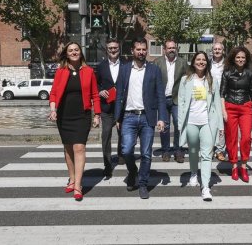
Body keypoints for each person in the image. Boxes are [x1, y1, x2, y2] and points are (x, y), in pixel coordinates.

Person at [114, 37, 167, 199]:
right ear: (132, 51)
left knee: (146, 154)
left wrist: (162, 118)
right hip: (128, 116)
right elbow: (119, 95)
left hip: (147, 117)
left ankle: (143, 184)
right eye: (138, 49)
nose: (141, 52)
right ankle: (132, 172)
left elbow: (160, 95)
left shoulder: (154, 69)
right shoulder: (124, 69)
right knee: (126, 150)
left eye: (144, 49)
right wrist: (118, 117)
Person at [48, 41, 101, 201]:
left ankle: (78, 185)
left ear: (80, 52)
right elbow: (54, 94)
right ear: (67, 53)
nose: (73, 52)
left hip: (82, 115)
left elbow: (95, 95)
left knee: (79, 147)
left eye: (76, 50)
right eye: (70, 50)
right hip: (64, 115)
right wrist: (53, 110)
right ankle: (71, 178)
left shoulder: (89, 71)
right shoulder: (61, 71)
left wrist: (97, 115)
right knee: (68, 148)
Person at [178, 51, 223, 201]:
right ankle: (193, 173)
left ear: (207, 63)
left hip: (207, 123)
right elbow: (181, 102)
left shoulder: (212, 80)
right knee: (192, 150)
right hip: (190, 121)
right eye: (198, 59)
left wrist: (220, 126)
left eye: (204, 60)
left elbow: (217, 104)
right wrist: (180, 125)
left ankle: (205, 187)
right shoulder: (185, 80)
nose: (201, 62)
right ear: (193, 62)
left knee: (206, 154)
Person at [220, 46, 252, 183]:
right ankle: (234, 166)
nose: (240, 59)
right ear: (233, 59)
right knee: (231, 138)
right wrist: (223, 111)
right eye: (238, 57)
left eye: (243, 57)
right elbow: (222, 93)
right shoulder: (227, 73)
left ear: (246, 59)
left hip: (246, 107)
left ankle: (244, 166)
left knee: (246, 137)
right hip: (230, 107)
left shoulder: (249, 74)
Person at [154, 40, 188, 163]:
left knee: (179, 125)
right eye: (169, 48)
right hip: (162, 100)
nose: (172, 50)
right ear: (165, 50)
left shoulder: (183, 63)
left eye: (174, 48)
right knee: (165, 126)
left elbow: (188, 80)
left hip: (177, 99)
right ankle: (166, 150)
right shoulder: (157, 63)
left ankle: (178, 150)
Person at [96, 38, 125, 179]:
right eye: (110, 48)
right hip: (106, 108)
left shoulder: (126, 65)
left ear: (119, 49)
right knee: (106, 136)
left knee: (123, 135)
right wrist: (100, 91)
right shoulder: (101, 66)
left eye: (115, 48)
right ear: (107, 50)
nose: (113, 50)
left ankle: (121, 156)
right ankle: (107, 165)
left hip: (122, 107)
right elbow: (95, 85)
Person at [210, 42, 226, 162]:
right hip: (209, 96)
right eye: (215, 49)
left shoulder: (228, 65)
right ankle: (209, 148)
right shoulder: (207, 63)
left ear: (223, 51)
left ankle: (219, 150)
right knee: (210, 124)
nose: (217, 51)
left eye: (219, 49)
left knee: (221, 125)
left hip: (223, 97)